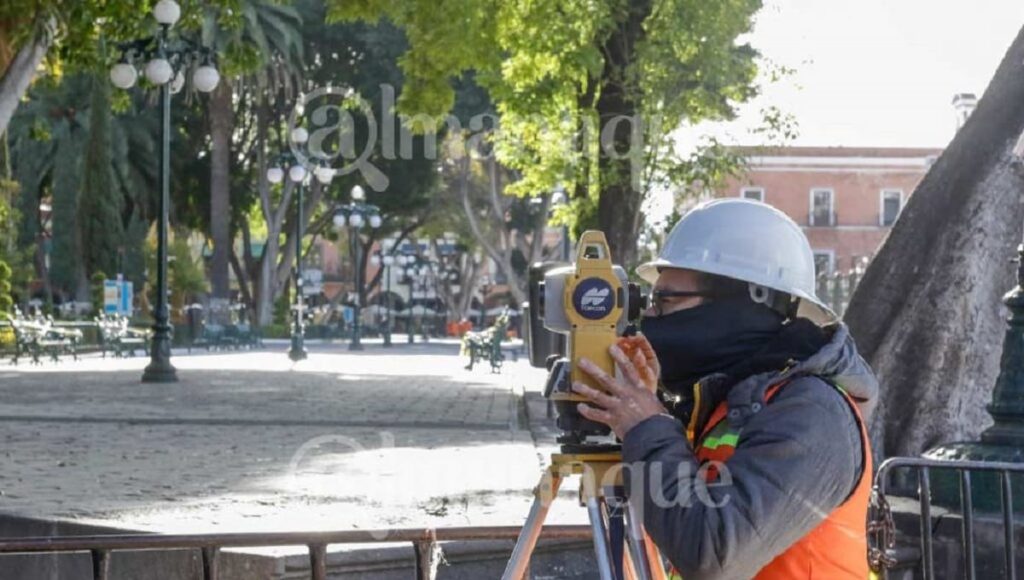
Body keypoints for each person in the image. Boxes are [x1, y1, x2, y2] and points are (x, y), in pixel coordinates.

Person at [571, 198, 878, 579]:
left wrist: (647, 428)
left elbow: (713, 554)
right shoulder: (731, 406)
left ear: (739, 305)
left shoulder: (812, 413)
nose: (648, 316)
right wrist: (655, 412)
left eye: (663, 301)